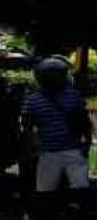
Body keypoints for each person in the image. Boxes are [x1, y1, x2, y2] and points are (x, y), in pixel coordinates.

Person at [20, 57, 92, 195]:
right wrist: (85, 146)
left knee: (47, 193)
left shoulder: (33, 100)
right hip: (72, 150)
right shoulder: (74, 96)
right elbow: (85, 123)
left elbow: (27, 128)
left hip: (48, 152)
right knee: (79, 191)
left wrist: (33, 149)